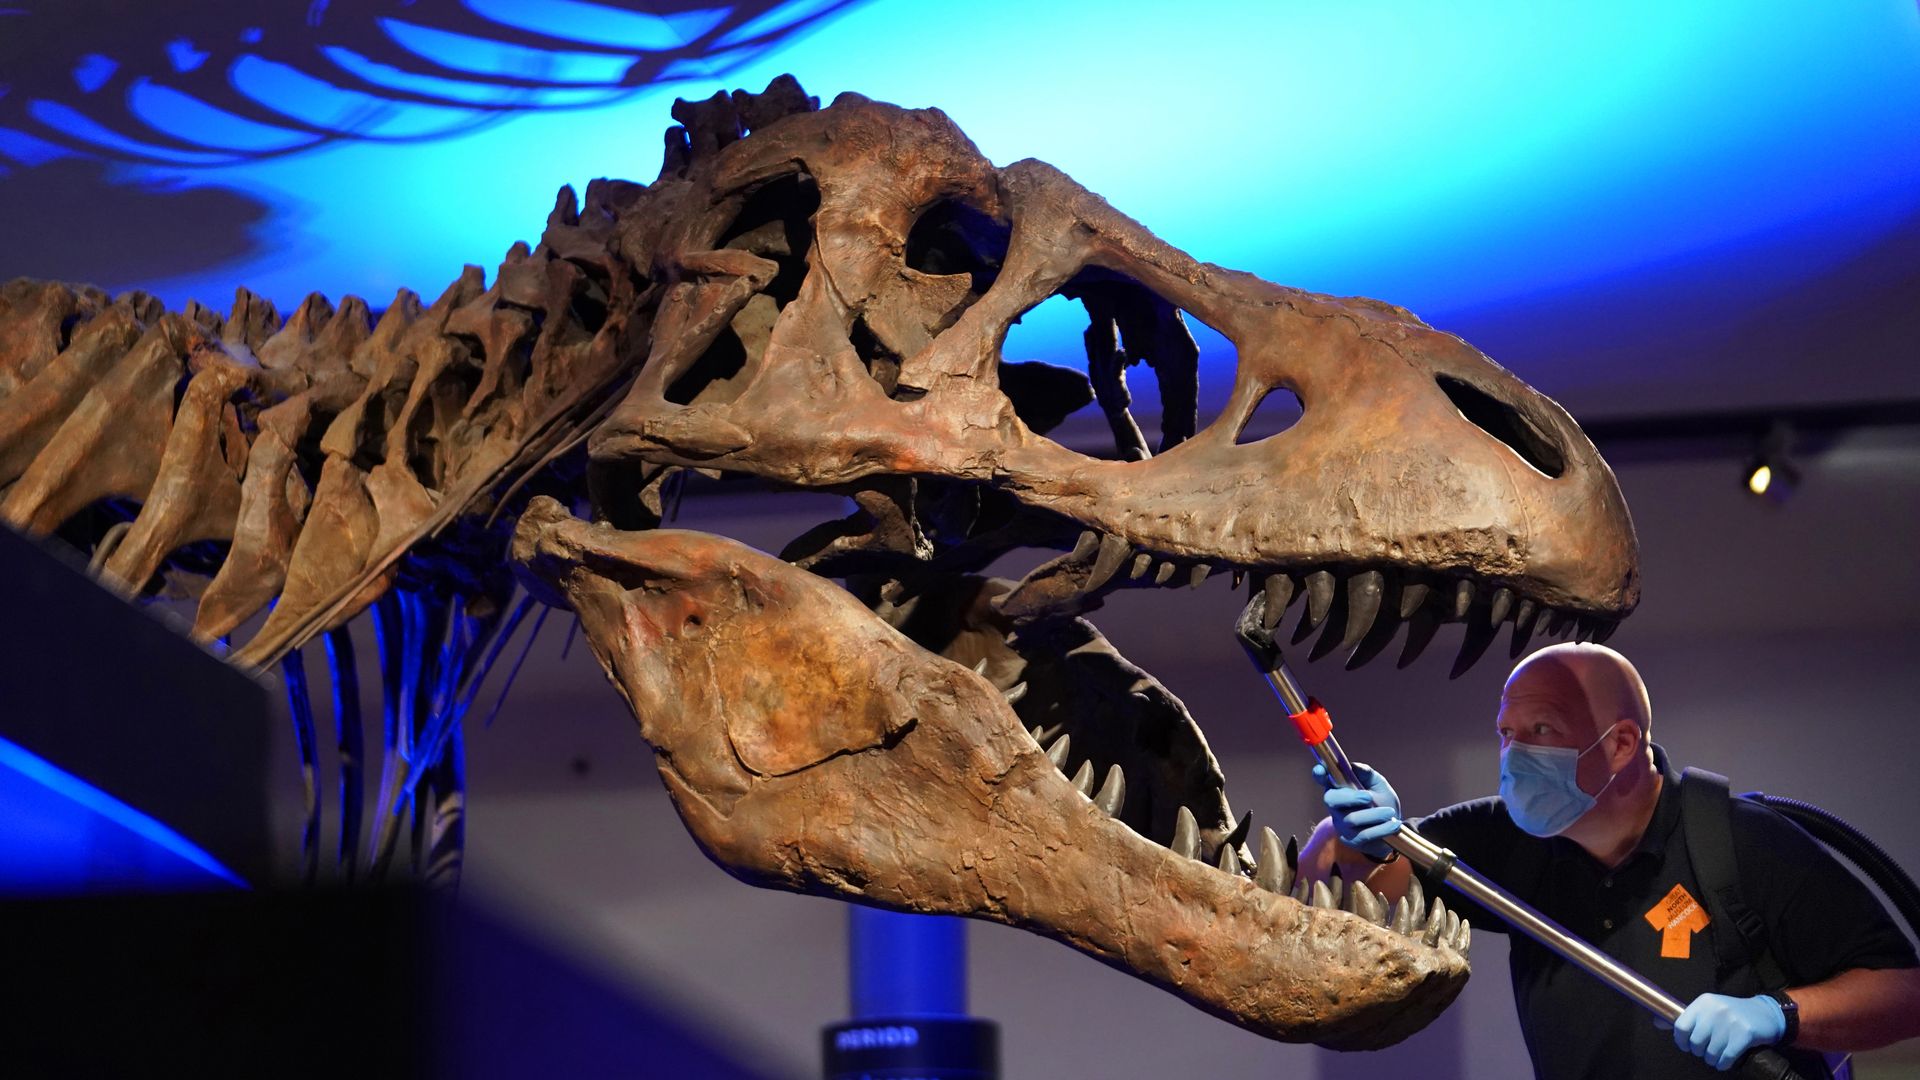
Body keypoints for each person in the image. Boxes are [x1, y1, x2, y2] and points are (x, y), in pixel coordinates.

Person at [1302, 642, 1920, 1078]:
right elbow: (1343, 875)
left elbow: (1903, 994)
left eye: (1541, 730)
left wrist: (1776, 1015)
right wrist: (1361, 836)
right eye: (1506, 733)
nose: (1514, 755)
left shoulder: (1739, 842)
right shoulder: (1511, 837)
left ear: (1622, 743)